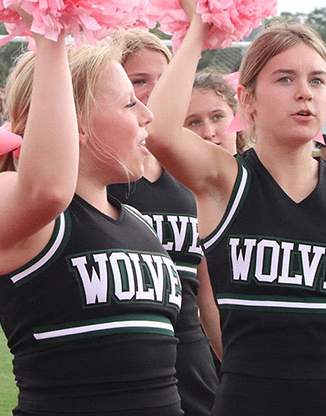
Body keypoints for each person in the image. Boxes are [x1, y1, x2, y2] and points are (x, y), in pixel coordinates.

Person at [146, 1, 326, 415]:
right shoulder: (225, 180)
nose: (305, 92)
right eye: (285, 79)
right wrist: (198, 30)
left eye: (317, 80)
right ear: (247, 100)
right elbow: (157, 130)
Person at [0, 26, 184, 415]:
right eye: (128, 104)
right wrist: (50, 33)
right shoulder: (9, 198)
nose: (147, 114)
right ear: (77, 122)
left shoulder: (139, 223)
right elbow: (49, 190)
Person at [104, 29, 219, 416]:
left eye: (164, 79)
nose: (154, 92)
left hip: (194, 372)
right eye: (139, 82)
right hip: (122, 377)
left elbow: (207, 297)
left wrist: (237, 371)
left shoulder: (193, 178)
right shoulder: (95, 178)